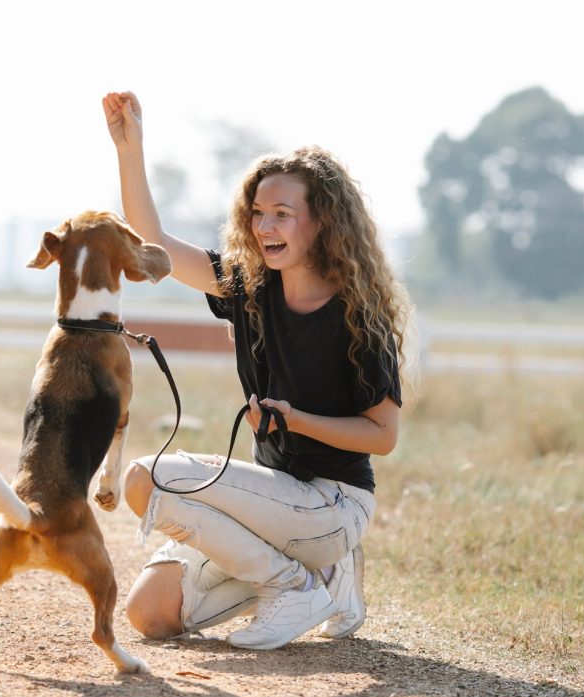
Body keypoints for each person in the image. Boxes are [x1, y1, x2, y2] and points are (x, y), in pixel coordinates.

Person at [102, 91, 412, 651]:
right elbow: (155, 244)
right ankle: (324, 580)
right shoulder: (248, 287)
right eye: (258, 213)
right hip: (272, 503)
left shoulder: (359, 317)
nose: (265, 225)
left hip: (333, 504)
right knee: (150, 615)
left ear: (322, 223)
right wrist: (130, 149)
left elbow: (383, 437)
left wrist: (296, 419)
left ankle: (294, 583)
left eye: (283, 214)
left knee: (144, 478)